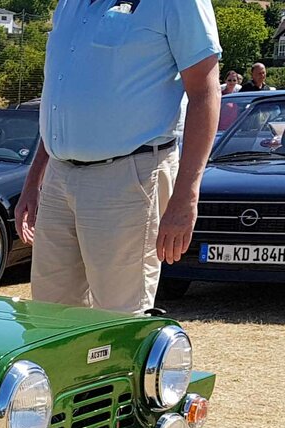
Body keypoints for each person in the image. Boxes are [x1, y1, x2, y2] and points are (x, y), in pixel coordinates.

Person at [15, 0, 221, 314]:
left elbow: (205, 93)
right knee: (49, 318)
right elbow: (61, 99)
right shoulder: (70, 3)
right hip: (58, 178)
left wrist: (186, 196)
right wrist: (33, 182)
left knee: (119, 319)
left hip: (129, 178)